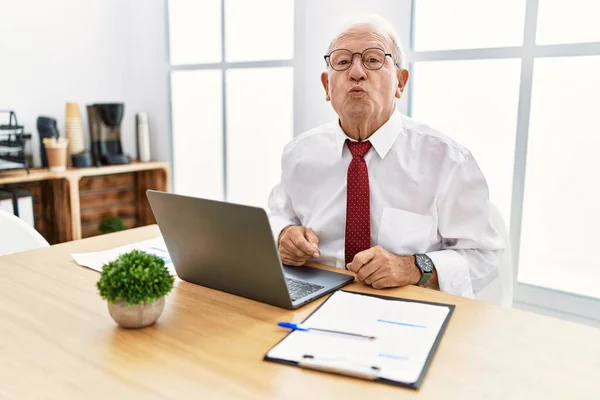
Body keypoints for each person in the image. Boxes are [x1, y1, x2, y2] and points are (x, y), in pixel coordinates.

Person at [267, 15, 504, 298]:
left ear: (400, 82)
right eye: (342, 62)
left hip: (406, 306)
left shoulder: (447, 160)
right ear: (326, 86)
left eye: (373, 59)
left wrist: (415, 267)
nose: (356, 73)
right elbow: (277, 214)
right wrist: (283, 235)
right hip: (311, 298)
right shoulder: (299, 154)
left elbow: (487, 257)